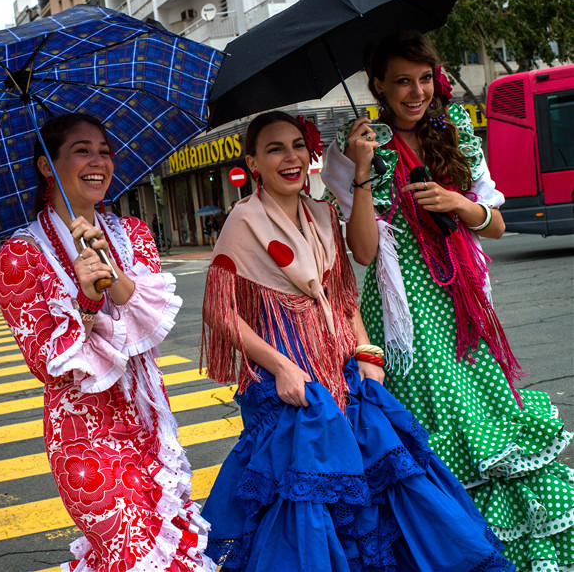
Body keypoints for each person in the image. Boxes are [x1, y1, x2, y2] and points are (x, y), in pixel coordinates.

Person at [200, 111, 511, 571]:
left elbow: (345, 298)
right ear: (253, 161)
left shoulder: (324, 213)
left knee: (383, 487)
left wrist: (367, 353)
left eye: (296, 146)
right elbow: (221, 312)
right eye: (274, 149)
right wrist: (283, 368)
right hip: (291, 384)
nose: (290, 158)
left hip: (343, 371)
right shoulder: (242, 221)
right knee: (301, 501)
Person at [321, 31, 573, 572]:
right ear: (378, 87)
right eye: (402, 82)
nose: (416, 92)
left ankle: (514, 554)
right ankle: (455, 552)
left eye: (424, 79)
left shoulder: (456, 129)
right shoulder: (352, 145)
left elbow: (497, 226)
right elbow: (362, 251)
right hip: (404, 313)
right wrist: (363, 171)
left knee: (492, 427)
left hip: (465, 306)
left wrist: (459, 203)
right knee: (437, 431)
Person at [0, 113, 214, 571]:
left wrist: (109, 272)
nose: (98, 162)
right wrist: (85, 299)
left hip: (150, 424)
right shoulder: (20, 254)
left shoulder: (131, 234)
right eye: (81, 150)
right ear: (45, 165)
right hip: (84, 436)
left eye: (105, 151)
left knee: (174, 552)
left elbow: (153, 319)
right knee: (136, 558)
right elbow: (45, 361)